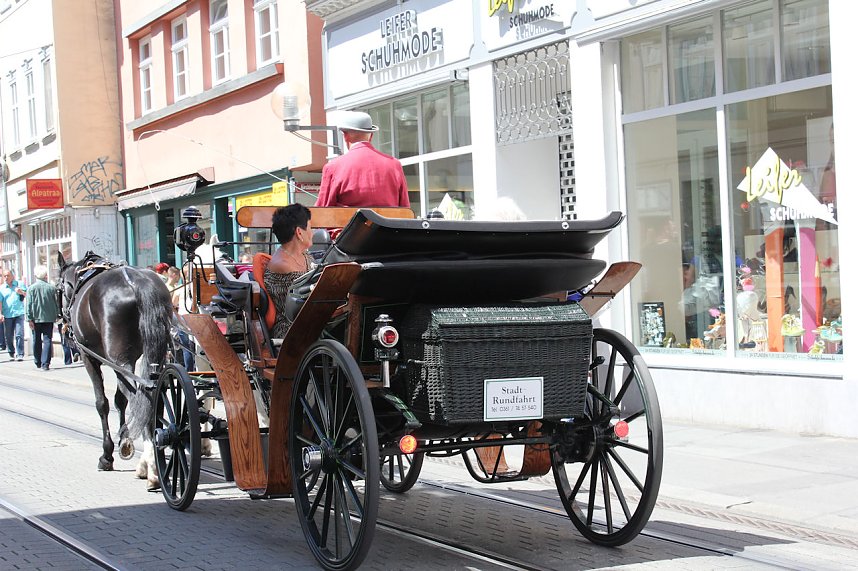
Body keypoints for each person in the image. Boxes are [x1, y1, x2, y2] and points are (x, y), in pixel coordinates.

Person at [315, 111, 410, 208]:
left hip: (349, 222)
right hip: (388, 223)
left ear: (345, 136)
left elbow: (322, 210)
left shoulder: (333, 167)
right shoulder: (394, 165)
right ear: (371, 136)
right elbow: (405, 209)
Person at [263, 204, 313, 338]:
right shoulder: (283, 265)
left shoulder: (304, 256)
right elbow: (305, 305)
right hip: (291, 330)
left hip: (309, 321)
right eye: (310, 227)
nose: (312, 233)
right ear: (299, 232)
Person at [24, 265, 59, 371]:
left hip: (36, 318)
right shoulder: (51, 288)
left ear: (36, 275)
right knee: (48, 339)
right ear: (45, 276)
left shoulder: (31, 288)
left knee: (36, 340)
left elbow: (29, 304)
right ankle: (46, 363)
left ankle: (38, 361)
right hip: (49, 318)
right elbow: (56, 303)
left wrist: (29, 318)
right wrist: (57, 315)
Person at [0, 269, 27, 360]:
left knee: (19, 334)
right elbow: (0, 302)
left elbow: (28, 295)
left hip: (19, 313)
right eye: (4, 276)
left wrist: (21, 292)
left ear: (12, 276)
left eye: (8, 275)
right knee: (8, 335)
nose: (6, 278)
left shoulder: (20, 284)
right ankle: (11, 351)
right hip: (7, 314)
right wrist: (0, 314)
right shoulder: (2, 288)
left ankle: (20, 354)